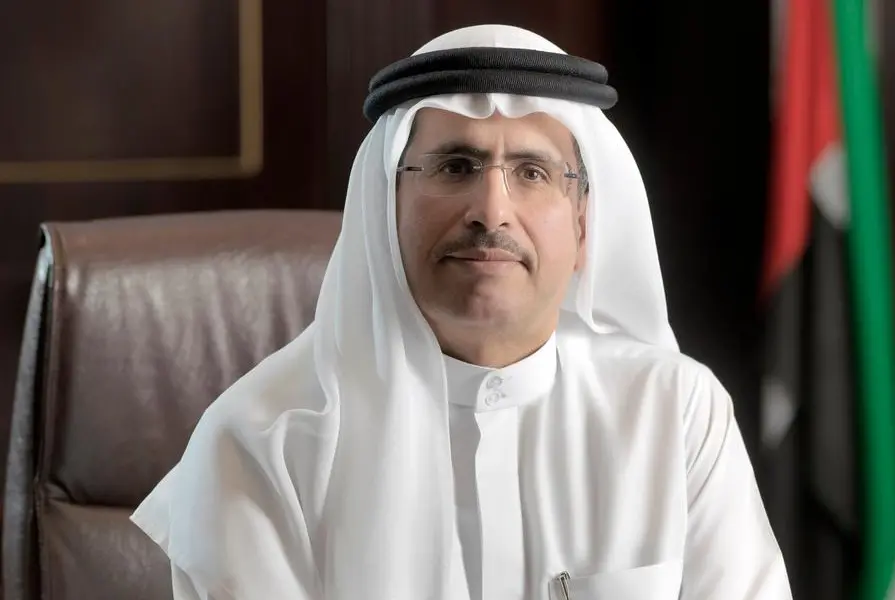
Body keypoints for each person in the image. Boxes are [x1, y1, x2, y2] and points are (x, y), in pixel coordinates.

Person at [131, 24, 792, 600]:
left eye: (532, 172)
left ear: (584, 224)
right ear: (386, 210)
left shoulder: (676, 413)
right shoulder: (257, 444)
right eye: (455, 166)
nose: (491, 211)